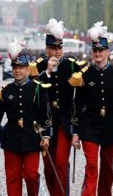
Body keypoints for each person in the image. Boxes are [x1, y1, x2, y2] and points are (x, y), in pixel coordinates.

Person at [70, 21, 113, 196]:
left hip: (110, 125)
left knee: (107, 167)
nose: (97, 54)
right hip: (89, 124)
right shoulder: (84, 75)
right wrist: (75, 132)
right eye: (95, 51)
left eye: (101, 51)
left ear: (107, 52)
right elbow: (77, 104)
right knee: (91, 165)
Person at [0, 40, 52, 196]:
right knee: (12, 178)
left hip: (32, 138)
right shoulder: (5, 91)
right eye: (15, 68)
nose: (17, 71)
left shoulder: (38, 89)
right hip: (11, 140)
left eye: (21, 68)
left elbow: (46, 116)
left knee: (31, 175)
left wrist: (47, 136)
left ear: (28, 69)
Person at [30, 18, 82, 196]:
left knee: (61, 163)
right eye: (54, 48)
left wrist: (79, 122)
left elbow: (82, 94)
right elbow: (33, 91)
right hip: (45, 122)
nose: (57, 52)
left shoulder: (72, 66)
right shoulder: (38, 67)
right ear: (47, 49)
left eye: (60, 48)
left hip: (65, 121)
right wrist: (48, 73)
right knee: (49, 167)